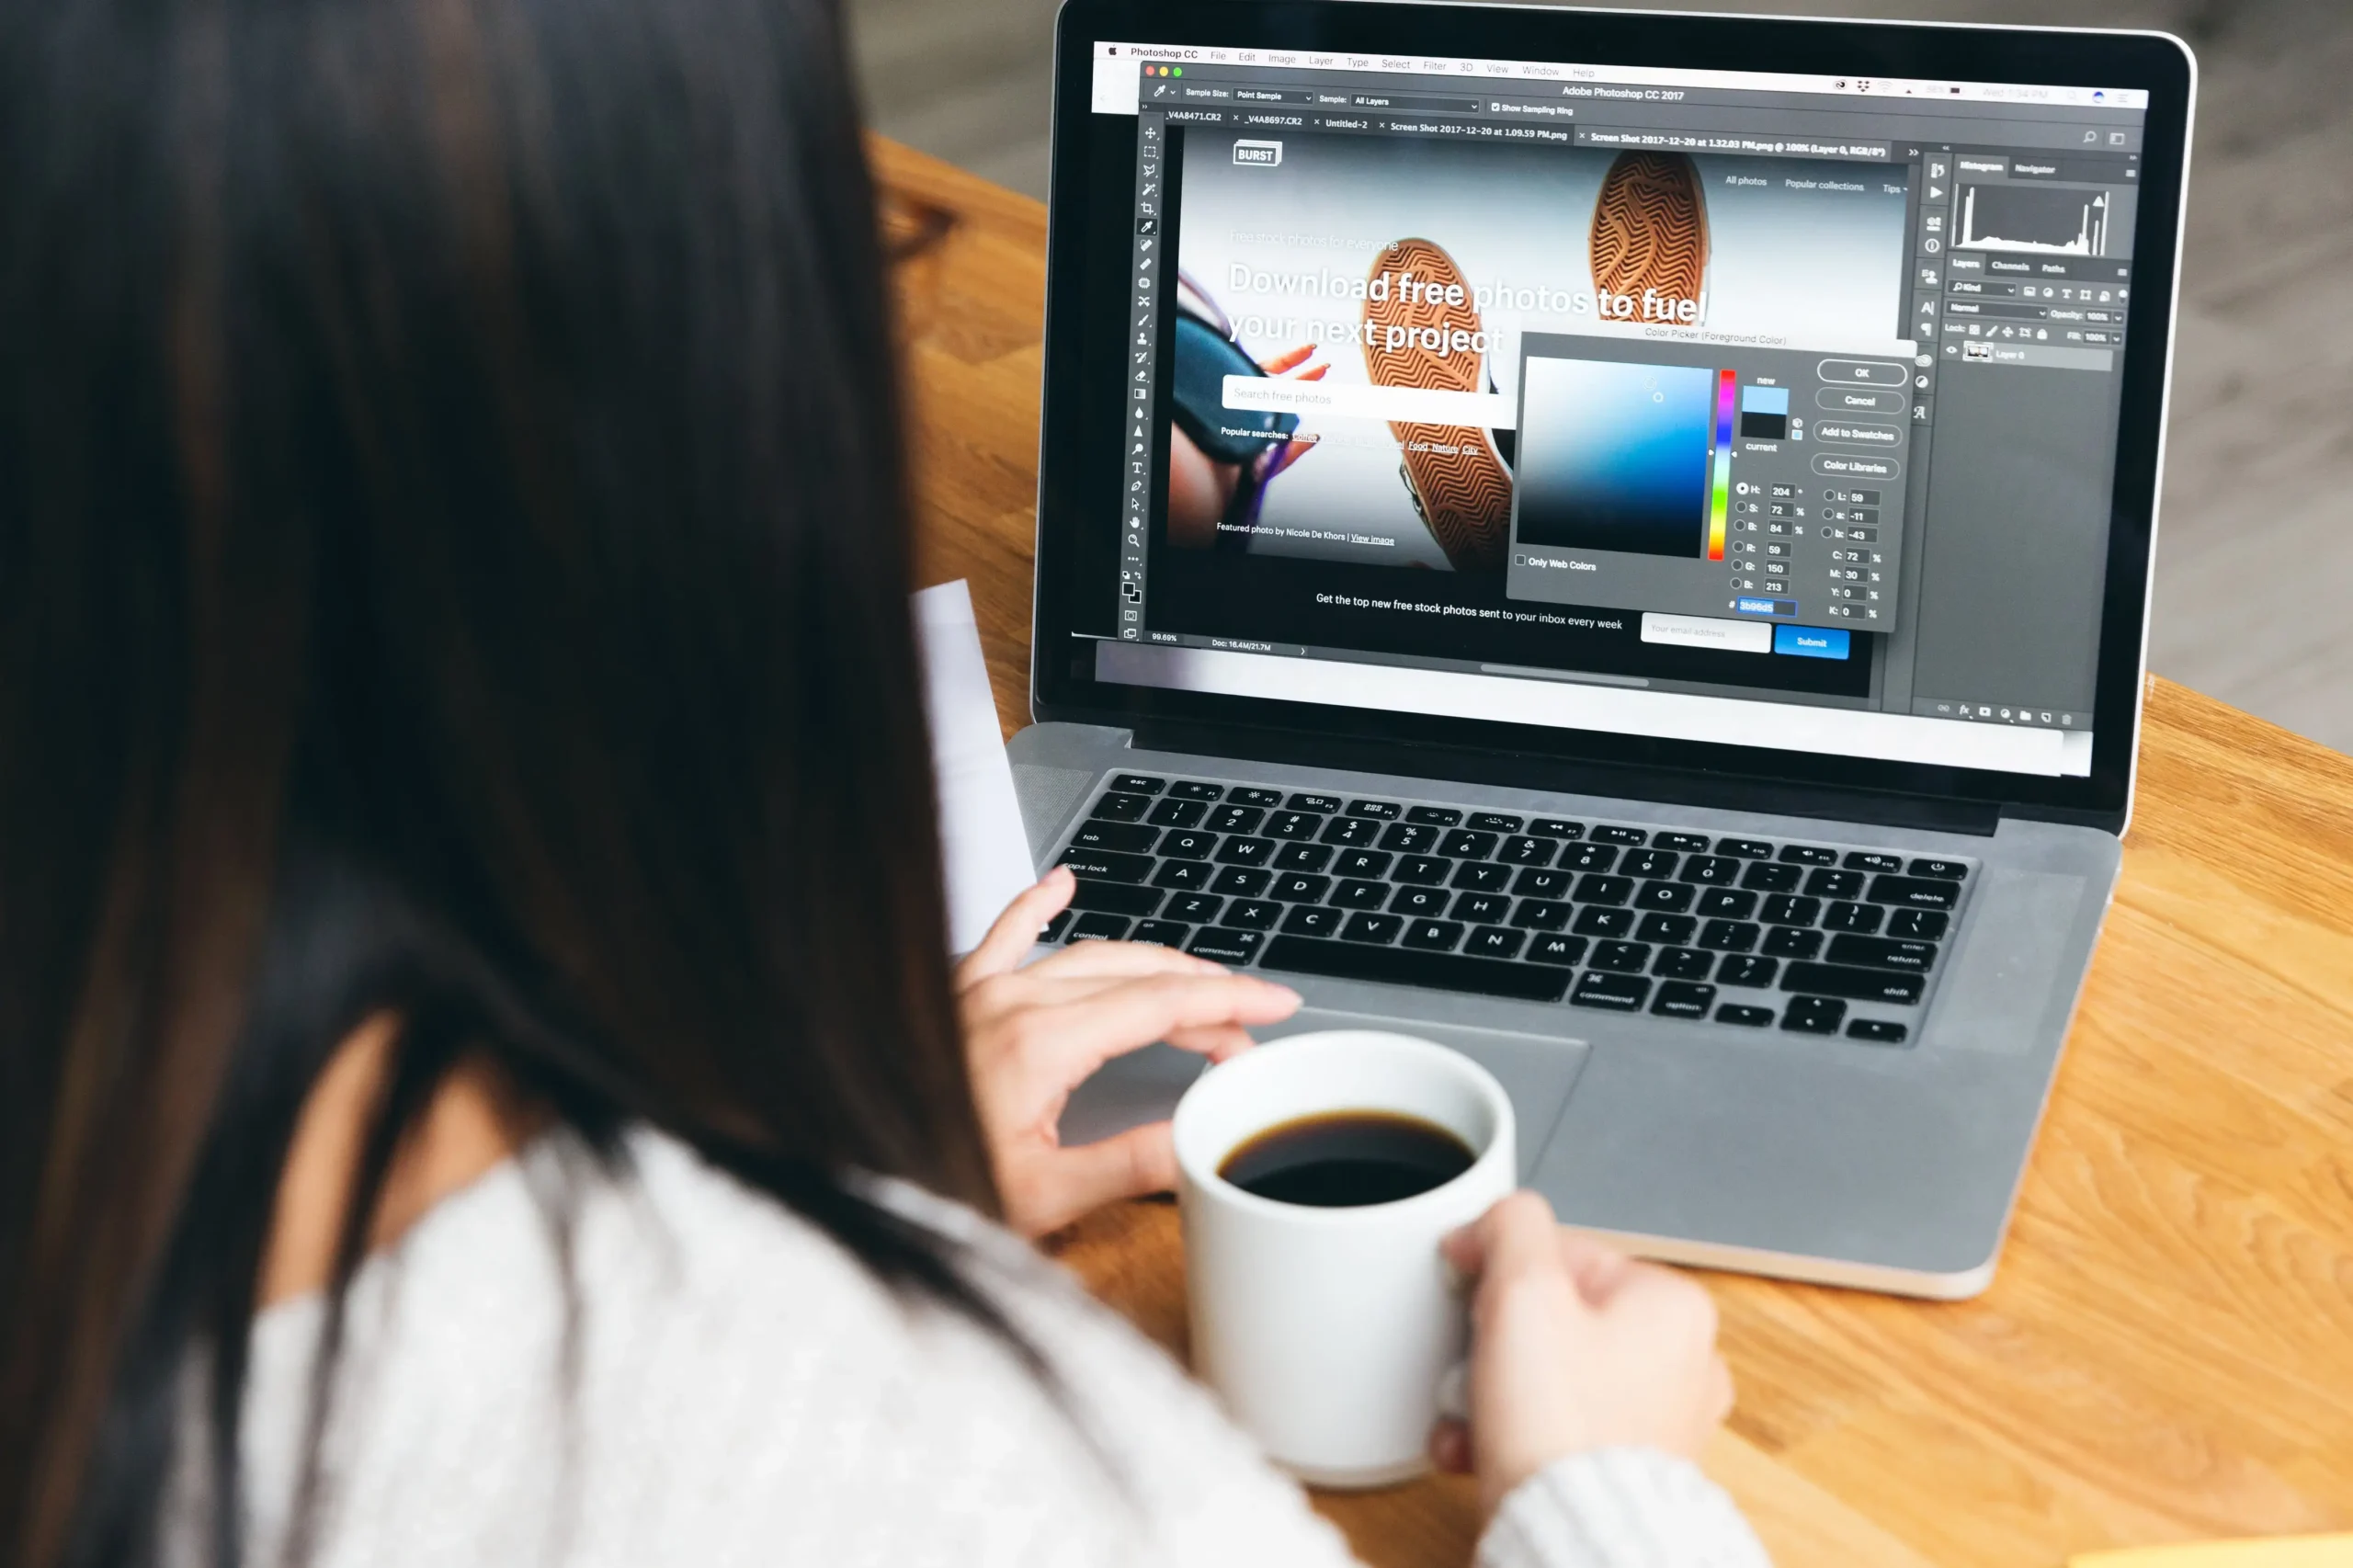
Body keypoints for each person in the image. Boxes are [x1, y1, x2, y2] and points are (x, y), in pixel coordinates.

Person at [0, 1, 1773, 1565]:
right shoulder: (983, 1477)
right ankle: (1549, 457)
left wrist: (841, 1176)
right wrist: (1601, 1492)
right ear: (684, 422)